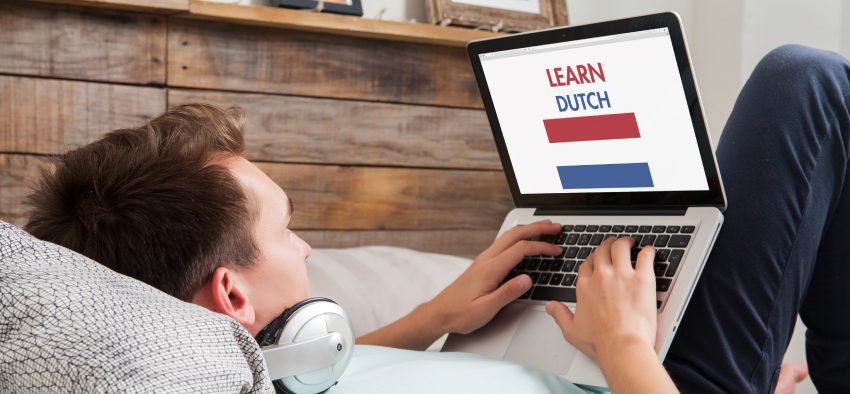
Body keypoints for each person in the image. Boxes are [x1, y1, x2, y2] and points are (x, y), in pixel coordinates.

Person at [23, 44, 847, 392]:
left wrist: (439, 315)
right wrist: (631, 350)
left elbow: (285, 371)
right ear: (232, 294)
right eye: (285, 230)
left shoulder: (242, 369)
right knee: (805, 84)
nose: (308, 245)